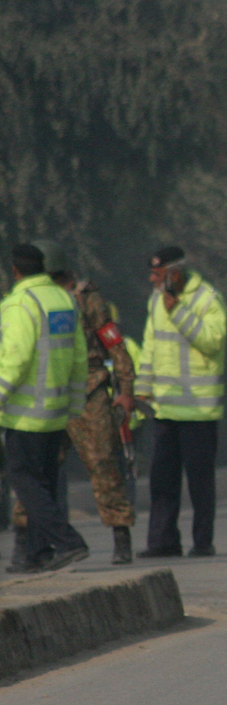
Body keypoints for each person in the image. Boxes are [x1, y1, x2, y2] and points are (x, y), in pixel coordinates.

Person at [7, 241, 137, 567]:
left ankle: (120, 535)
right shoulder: (53, 299)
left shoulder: (86, 300)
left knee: (103, 462)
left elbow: (114, 344)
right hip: (58, 390)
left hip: (86, 388)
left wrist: (127, 390)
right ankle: (28, 545)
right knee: (37, 477)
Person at [0, 244, 89, 572]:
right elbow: (80, 357)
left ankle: (69, 542)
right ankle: (38, 553)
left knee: (25, 483)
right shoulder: (63, 300)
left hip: (25, 414)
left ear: (15, 270)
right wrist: (76, 404)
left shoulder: (20, 304)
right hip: (56, 411)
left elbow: (15, 360)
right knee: (45, 484)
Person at [135, 246, 227, 557]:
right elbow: (150, 347)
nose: (152, 280)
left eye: (158, 274)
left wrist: (178, 311)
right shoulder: (156, 301)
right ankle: (163, 541)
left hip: (199, 410)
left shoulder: (208, 299)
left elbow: (212, 342)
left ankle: (203, 542)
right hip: (165, 408)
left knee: (200, 482)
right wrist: (141, 389)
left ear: (176, 273)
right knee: (162, 480)